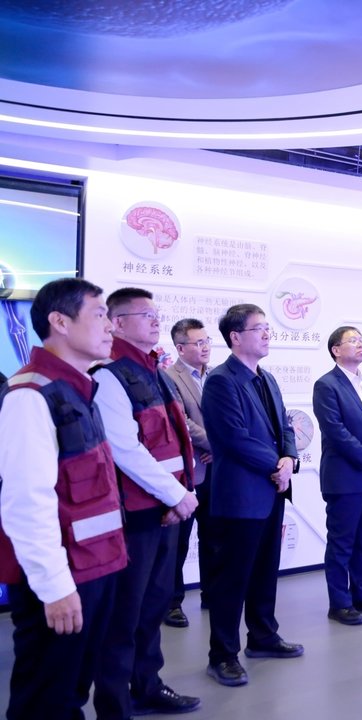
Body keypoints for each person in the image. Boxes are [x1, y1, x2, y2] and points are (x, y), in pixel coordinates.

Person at [0, 279, 127, 719]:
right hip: (63, 580)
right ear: (59, 321)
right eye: (99, 314)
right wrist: (54, 587)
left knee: (71, 691)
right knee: (46, 700)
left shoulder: (78, 388)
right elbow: (26, 503)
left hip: (95, 569)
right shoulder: (31, 395)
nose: (110, 326)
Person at [92, 288, 201, 718]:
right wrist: (176, 495)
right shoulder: (109, 375)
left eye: (156, 314)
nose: (156, 321)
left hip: (168, 510)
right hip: (136, 515)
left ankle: (147, 686)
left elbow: (176, 440)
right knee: (125, 613)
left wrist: (182, 496)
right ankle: (114, 703)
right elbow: (125, 449)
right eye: (145, 315)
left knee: (153, 605)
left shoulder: (155, 369)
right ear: (117, 323)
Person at [201, 304, 302, 686]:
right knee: (232, 579)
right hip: (241, 495)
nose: (267, 334)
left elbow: (285, 426)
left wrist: (289, 458)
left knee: (264, 571)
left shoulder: (268, 378)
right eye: (258, 328)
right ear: (235, 337)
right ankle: (222, 655)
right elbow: (233, 438)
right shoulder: (221, 381)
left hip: (272, 490)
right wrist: (277, 465)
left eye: (267, 327)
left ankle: (262, 636)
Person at [312, 326, 362, 626]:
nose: (360, 345)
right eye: (353, 341)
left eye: (361, 340)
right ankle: (339, 603)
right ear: (336, 350)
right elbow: (335, 430)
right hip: (344, 478)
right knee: (342, 543)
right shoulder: (326, 385)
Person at [163, 318, 216, 628]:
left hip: (217, 470)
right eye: (198, 342)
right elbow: (181, 421)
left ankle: (212, 593)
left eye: (207, 341)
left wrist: (220, 449)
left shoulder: (217, 376)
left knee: (214, 537)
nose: (205, 347)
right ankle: (172, 603)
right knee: (178, 543)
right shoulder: (169, 377)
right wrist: (216, 443)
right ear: (181, 348)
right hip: (187, 474)